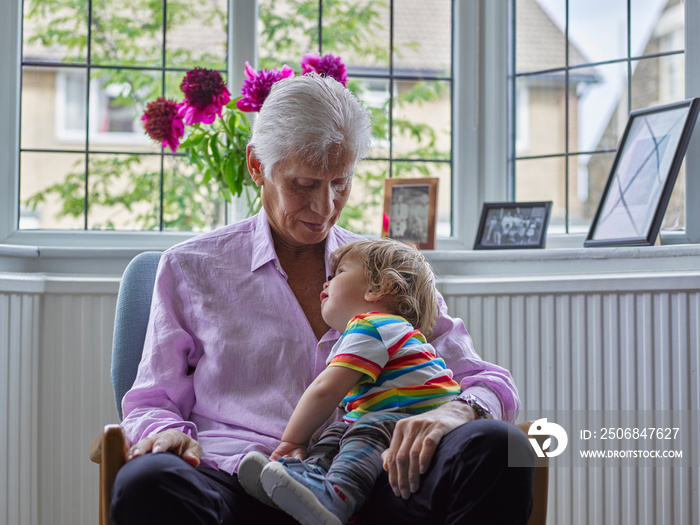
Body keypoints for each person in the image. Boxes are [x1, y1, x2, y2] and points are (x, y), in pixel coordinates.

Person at [110, 73, 534, 525]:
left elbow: (488, 380)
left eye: (341, 182)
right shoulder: (190, 266)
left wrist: (455, 410)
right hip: (237, 477)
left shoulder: (386, 271)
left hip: (374, 477)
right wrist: (166, 435)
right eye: (305, 184)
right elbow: (152, 399)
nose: (325, 207)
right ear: (257, 167)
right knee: (147, 482)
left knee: (497, 447)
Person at [238, 238, 462, 525]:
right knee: (335, 433)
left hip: (411, 421)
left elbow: (325, 390)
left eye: (338, 273)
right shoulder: (379, 331)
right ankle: (303, 481)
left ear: (378, 288)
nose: (325, 283)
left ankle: (337, 497)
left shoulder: (373, 325)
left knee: (364, 429)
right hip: (394, 417)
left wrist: (292, 440)